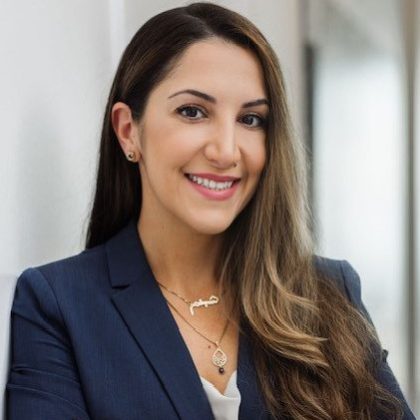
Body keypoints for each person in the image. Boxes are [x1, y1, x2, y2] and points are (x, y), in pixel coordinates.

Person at [6, 2, 416, 419]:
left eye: (251, 119)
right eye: (193, 112)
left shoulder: (330, 293)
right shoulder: (58, 304)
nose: (225, 151)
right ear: (129, 130)